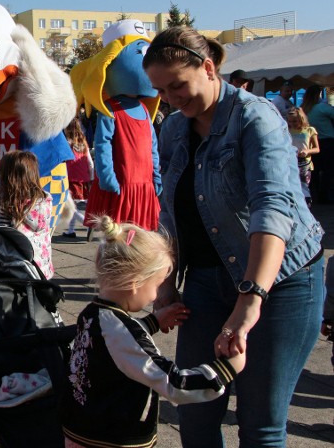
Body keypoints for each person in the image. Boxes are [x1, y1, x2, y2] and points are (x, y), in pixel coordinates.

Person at [143, 26, 325, 447]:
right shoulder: (172, 128)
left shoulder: (255, 117)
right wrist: (166, 285)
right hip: (207, 282)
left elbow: (273, 209)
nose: (170, 99)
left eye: (177, 86)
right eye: (161, 91)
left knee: (260, 426)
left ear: (208, 68)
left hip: (281, 283)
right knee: (195, 412)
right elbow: (169, 212)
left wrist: (249, 301)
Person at [62, 216, 243, 448]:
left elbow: (113, 347)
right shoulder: (122, 331)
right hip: (113, 439)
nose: (156, 295)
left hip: (81, 428)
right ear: (136, 283)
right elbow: (173, 383)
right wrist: (227, 369)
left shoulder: (91, 313)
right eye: (156, 285)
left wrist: (152, 322)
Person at [0, 150, 56, 279]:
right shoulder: (41, 200)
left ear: (9, 176)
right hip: (34, 267)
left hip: (23, 269)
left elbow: (1, 235)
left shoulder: (8, 205)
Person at [60, 118, 93, 239]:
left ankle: (88, 223)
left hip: (71, 178)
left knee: (70, 206)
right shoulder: (84, 143)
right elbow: (90, 162)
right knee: (75, 204)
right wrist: (91, 177)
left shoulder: (66, 143)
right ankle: (71, 230)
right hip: (83, 178)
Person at [301, 85, 334, 203]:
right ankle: (324, 195)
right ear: (317, 95)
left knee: (314, 170)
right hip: (327, 141)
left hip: (311, 143)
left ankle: (313, 194)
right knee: (328, 170)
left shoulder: (303, 108)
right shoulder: (322, 107)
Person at [287, 107, 319, 205]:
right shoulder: (286, 130)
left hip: (305, 163)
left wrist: (307, 151)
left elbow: (317, 148)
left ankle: (306, 206)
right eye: (290, 121)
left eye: (295, 121)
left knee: (304, 186)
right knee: (292, 185)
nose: (292, 124)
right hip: (291, 162)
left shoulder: (309, 130)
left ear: (301, 119)